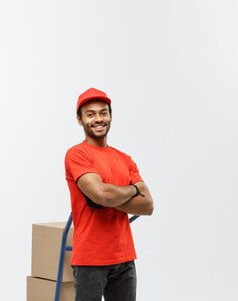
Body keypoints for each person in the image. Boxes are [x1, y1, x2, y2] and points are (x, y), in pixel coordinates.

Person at [64, 87, 154, 301]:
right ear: (79, 120)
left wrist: (107, 197)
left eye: (103, 113)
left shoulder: (124, 158)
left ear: (110, 116)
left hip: (124, 257)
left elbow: (148, 205)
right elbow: (101, 194)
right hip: (90, 259)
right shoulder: (77, 154)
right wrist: (132, 190)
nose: (98, 119)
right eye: (90, 114)